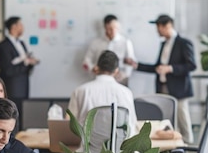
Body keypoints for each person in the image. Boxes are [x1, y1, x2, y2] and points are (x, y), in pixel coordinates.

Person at [125, 14, 196, 143]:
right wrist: (137, 65)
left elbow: (191, 65)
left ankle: (187, 144)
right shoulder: (164, 44)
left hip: (178, 89)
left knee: (182, 118)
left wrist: (170, 68)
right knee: (167, 119)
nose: (157, 30)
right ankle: (172, 143)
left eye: (159, 27)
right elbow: (157, 68)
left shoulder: (183, 43)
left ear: (167, 26)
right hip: (163, 88)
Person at [69, 50, 138, 136]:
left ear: (96, 68)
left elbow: (69, 125)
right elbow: (132, 125)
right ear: (116, 71)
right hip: (119, 148)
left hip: (87, 148)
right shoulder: (126, 93)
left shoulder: (80, 91)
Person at [0, 16, 38, 128]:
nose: (23, 28)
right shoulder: (3, 46)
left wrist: (30, 63)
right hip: (12, 86)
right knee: (11, 115)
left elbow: (24, 64)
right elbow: (7, 70)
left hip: (23, 85)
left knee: (20, 115)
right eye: (20, 25)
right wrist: (25, 63)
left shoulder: (22, 43)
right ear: (14, 27)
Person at [82, 14, 136, 85]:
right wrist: (92, 68)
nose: (113, 31)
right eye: (110, 28)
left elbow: (131, 62)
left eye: (116, 28)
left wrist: (123, 75)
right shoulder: (96, 42)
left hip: (120, 81)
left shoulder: (126, 42)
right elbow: (86, 60)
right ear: (105, 27)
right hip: (100, 80)